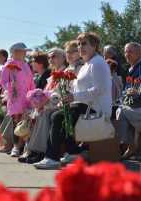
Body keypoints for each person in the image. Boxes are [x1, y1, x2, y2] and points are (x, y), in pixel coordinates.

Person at [34, 32, 112, 169]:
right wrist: (68, 97)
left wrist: (74, 97)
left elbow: (100, 90)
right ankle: (74, 151)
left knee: (58, 116)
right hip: (83, 105)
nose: (81, 47)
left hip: (96, 108)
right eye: (79, 44)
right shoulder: (88, 64)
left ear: (94, 46)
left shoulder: (98, 63)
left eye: (84, 44)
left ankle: (52, 158)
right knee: (60, 113)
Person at [0, 42, 35, 157]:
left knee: (25, 121)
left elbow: (31, 82)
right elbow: (3, 81)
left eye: (25, 51)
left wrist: (33, 94)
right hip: (15, 98)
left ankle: (23, 146)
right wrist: (11, 87)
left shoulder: (26, 65)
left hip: (27, 98)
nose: (25, 53)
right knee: (16, 121)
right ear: (15, 52)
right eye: (22, 51)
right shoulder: (8, 65)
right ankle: (16, 146)